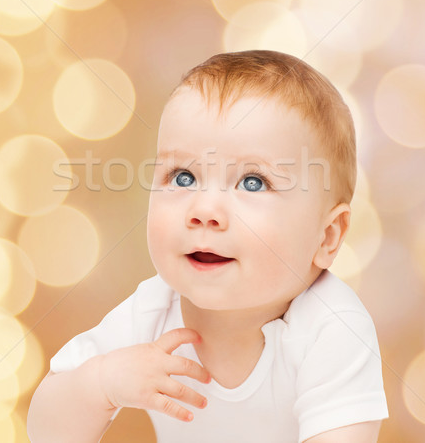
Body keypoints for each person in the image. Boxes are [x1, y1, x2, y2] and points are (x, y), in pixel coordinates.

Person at [27, 50, 388, 442]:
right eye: (183, 177)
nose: (204, 210)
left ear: (327, 236)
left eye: (253, 182)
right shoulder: (151, 313)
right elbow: (47, 433)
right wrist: (101, 383)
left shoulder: (332, 330)